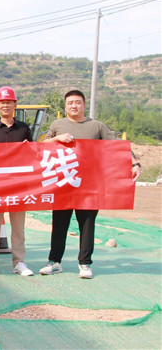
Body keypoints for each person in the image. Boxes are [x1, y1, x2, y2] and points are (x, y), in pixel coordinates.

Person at [39, 90, 141, 279]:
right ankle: (54, 262)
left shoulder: (97, 126)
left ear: (84, 105)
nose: (74, 105)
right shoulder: (57, 125)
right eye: (70, 102)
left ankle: (85, 263)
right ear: (65, 106)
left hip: (89, 185)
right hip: (63, 183)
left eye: (78, 102)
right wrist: (57, 139)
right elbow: (41, 147)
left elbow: (118, 147)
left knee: (87, 225)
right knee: (59, 224)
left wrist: (134, 164)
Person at [0, 87, 34, 277]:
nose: (5, 105)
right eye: (2, 102)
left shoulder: (24, 129)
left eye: (9, 102)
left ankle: (19, 262)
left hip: (19, 186)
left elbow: (33, 155)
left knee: (18, 226)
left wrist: (29, 148)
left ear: (15, 104)